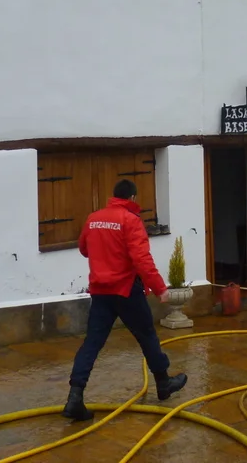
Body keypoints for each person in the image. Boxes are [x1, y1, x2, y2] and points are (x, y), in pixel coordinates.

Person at [62, 178, 188, 421]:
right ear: (132, 197)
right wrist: (160, 288)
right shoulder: (130, 220)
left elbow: (84, 249)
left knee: (92, 343)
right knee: (147, 335)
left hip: (100, 291)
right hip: (126, 289)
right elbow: (141, 259)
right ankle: (163, 383)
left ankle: (74, 397)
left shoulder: (93, 218)